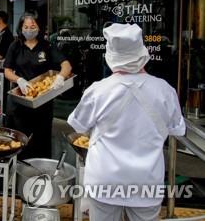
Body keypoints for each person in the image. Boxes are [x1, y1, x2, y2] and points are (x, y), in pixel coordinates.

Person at [67, 23, 185, 221]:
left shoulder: (97, 90)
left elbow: (78, 125)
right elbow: (177, 129)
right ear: (142, 55)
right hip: (146, 182)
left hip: (104, 181)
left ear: (111, 57)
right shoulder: (165, 90)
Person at [4, 11, 72, 159]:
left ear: (39, 27)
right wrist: (19, 80)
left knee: (41, 141)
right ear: (21, 28)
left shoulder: (47, 46)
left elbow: (66, 65)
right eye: (26, 26)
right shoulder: (15, 45)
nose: (29, 29)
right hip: (20, 102)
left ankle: (40, 171)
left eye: (33, 25)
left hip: (43, 103)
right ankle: (18, 170)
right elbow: (7, 71)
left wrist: (60, 77)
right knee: (19, 141)